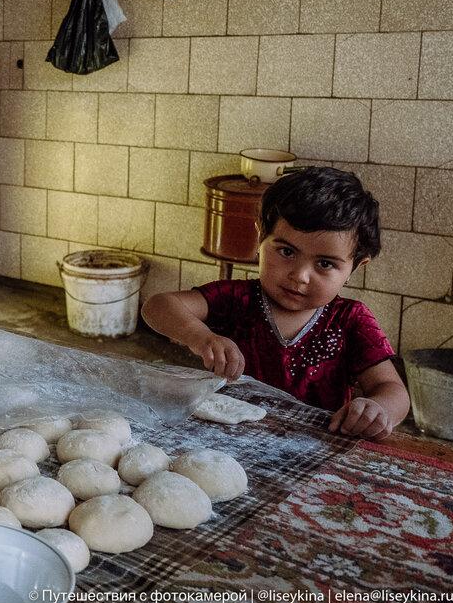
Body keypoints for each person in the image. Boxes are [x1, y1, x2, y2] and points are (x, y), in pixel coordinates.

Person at [142, 166, 410, 440]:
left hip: (314, 451)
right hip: (226, 440)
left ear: (356, 266)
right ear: (260, 237)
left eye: (325, 263)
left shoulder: (350, 320)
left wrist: (378, 409)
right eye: (286, 251)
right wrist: (200, 337)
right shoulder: (236, 299)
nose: (300, 276)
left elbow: (393, 390)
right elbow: (158, 306)